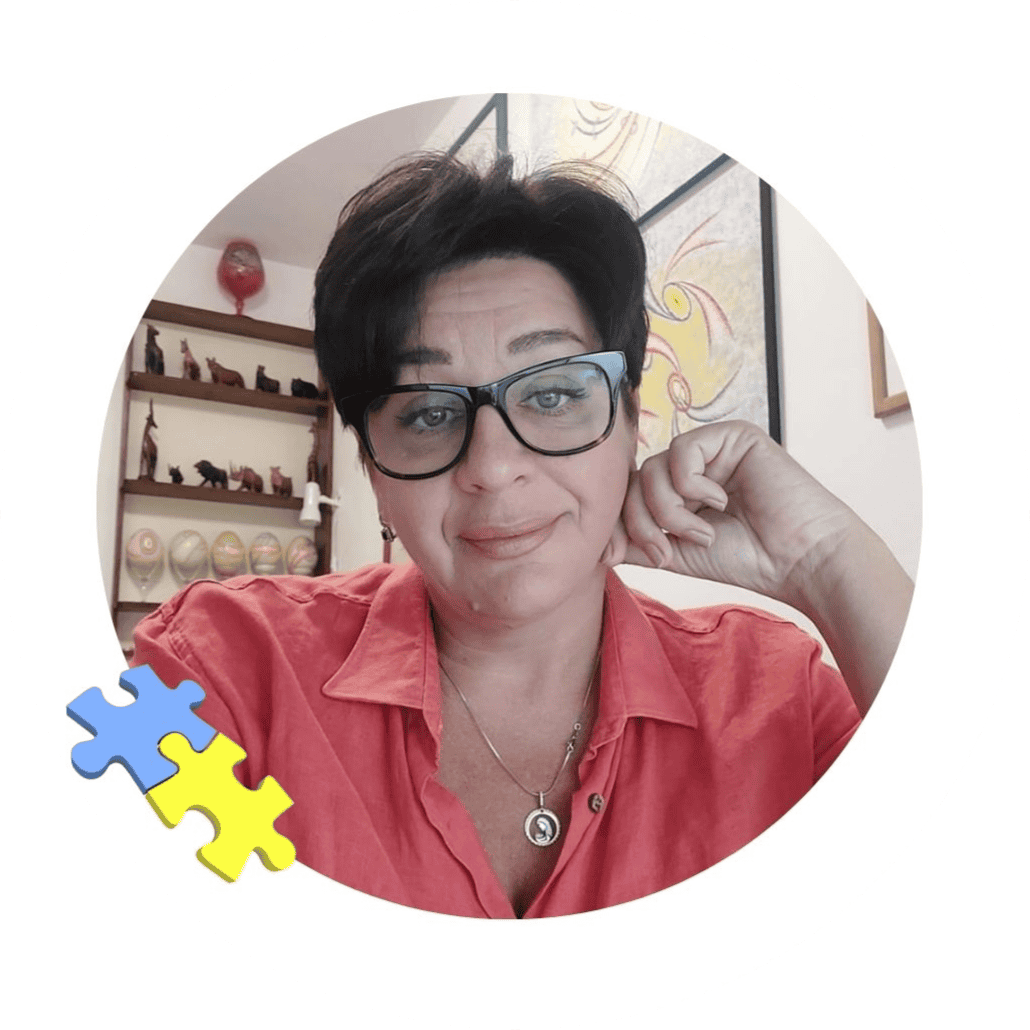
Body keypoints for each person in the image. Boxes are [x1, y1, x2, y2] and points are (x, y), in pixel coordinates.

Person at [132, 153, 913, 918]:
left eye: (553, 393)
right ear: (372, 469)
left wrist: (827, 560)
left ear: (631, 420)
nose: (494, 468)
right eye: (429, 413)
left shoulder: (782, 699)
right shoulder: (221, 667)